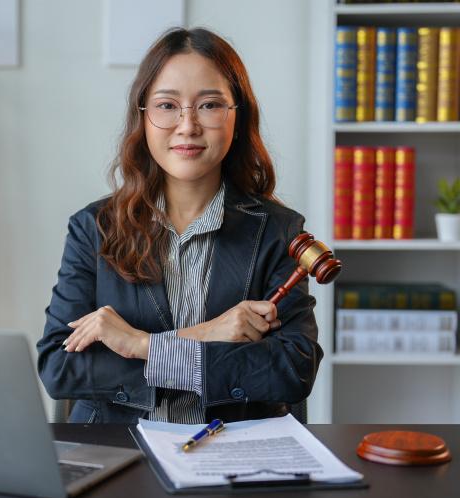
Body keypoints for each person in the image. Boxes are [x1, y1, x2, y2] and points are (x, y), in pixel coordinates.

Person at [36, 27, 321, 424]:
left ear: (237, 116)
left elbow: (293, 368)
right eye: (167, 106)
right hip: (119, 454)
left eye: (209, 105)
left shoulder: (278, 231)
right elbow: (58, 367)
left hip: (232, 456)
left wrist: (141, 346)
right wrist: (205, 336)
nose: (187, 126)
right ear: (144, 117)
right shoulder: (95, 228)